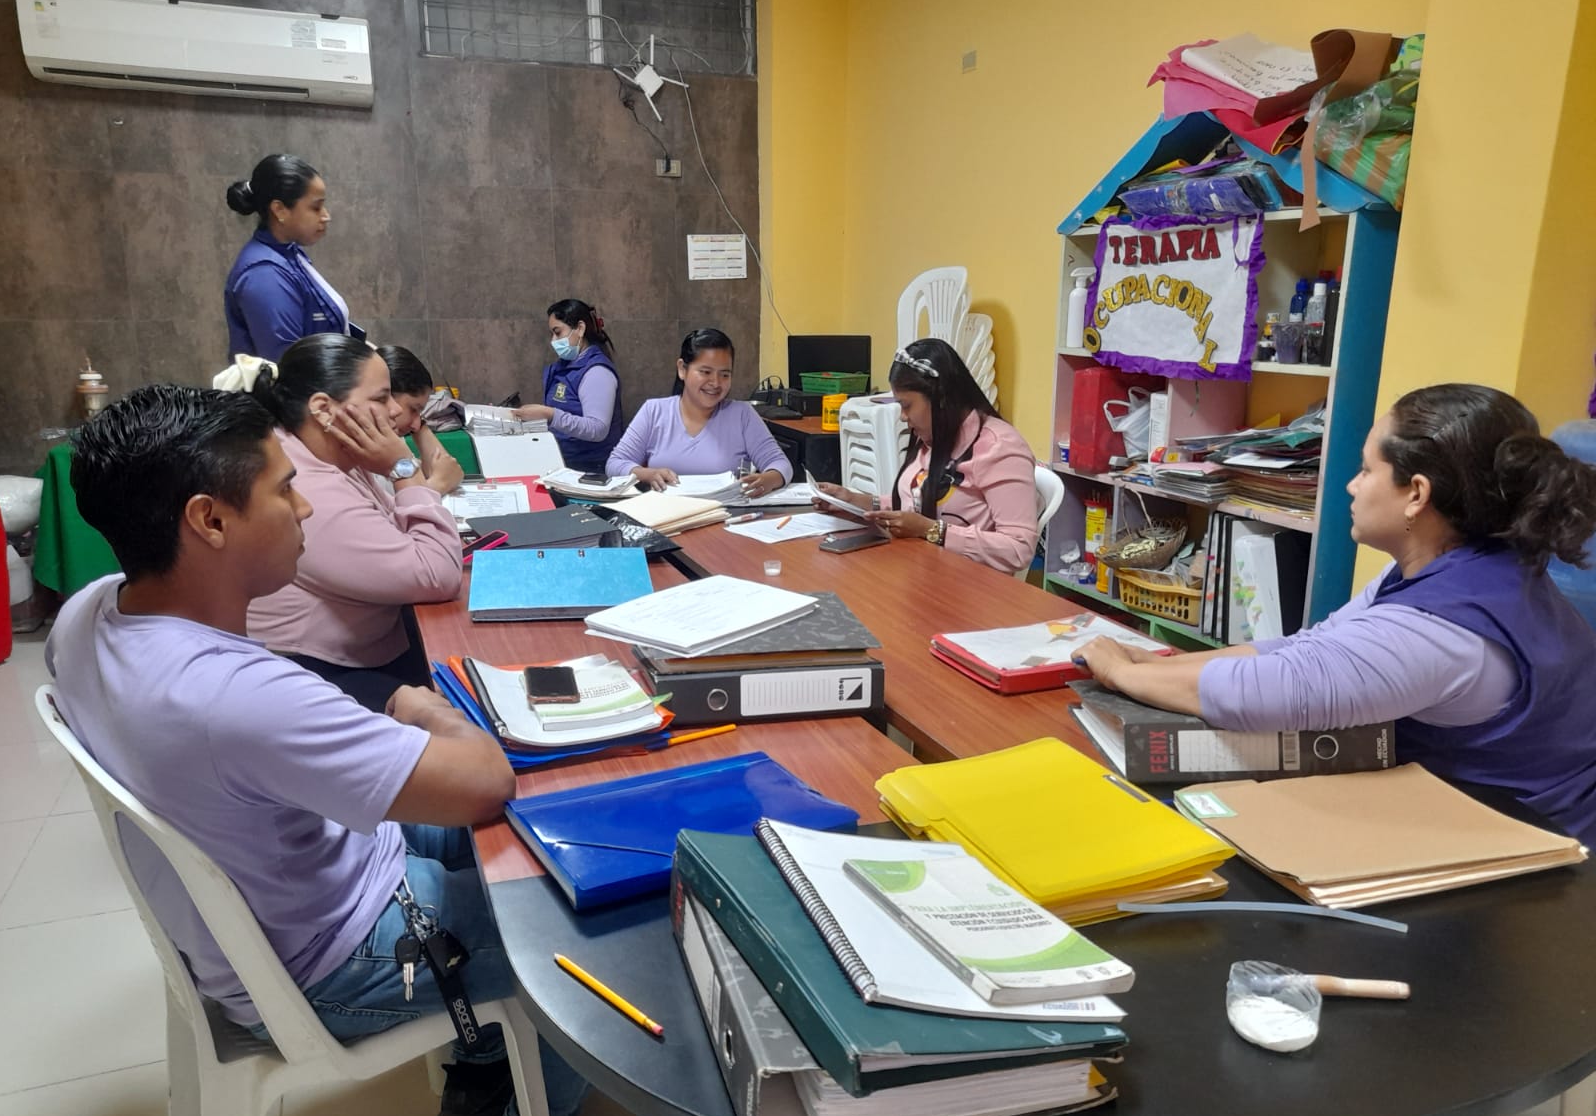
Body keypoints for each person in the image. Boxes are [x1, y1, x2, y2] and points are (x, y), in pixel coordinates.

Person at [49, 385, 650, 1116]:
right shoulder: (231, 696)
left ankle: (484, 1058)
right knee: (596, 919)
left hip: (291, 887)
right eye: (283, 489)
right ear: (210, 520)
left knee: (534, 835)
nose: (303, 507)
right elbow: (486, 780)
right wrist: (427, 712)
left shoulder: (90, 611)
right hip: (335, 958)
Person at [1075, 383, 1596, 845]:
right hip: (1476, 816)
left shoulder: (1440, 630)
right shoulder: (1462, 569)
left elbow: (1268, 694)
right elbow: (1309, 648)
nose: (1352, 484)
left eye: (1367, 470)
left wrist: (1120, 673)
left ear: (1417, 494)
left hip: (1535, 854)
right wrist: (1154, 663)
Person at [243, 334, 462, 713]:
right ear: (323, 409)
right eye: (381, 398)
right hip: (314, 674)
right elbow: (438, 574)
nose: (394, 411)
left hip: (358, 648)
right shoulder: (305, 484)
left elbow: (397, 531)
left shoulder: (323, 452)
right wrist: (403, 468)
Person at [814, 338, 1039, 574]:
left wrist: (933, 531)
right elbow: (917, 503)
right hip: (922, 571)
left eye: (907, 405)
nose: (903, 416)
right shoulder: (933, 437)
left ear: (940, 398)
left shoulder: (1000, 448)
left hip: (971, 583)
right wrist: (851, 500)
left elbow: (1019, 549)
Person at [605, 328, 791, 496]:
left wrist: (768, 479)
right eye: (705, 372)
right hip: (666, 516)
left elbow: (780, 464)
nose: (715, 383)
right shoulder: (654, 411)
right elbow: (615, 463)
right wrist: (646, 474)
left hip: (725, 515)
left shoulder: (743, 414)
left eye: (724, 374)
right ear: (682, 369)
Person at [224, 154, 360, 363]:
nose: (326, 216)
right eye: (316, 207)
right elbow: (289, 366)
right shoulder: (264, 275)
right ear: (279, 210)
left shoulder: (289, 252)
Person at [509, 299, 625, 470]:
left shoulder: (597, 372)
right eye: (552, 334)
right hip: (563, 462)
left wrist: (550, 414)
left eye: (558, 332)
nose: (553, 341)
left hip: (591, 468)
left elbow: (597, 429)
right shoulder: (563, 368)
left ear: (580, 328)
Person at [376, 343, 465, 495]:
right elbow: (393, 505)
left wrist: (420, 427)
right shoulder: (357, 454)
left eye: (420, 412)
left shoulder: (393, 437)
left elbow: (443, 469)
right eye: (413, 409)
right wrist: (439, 484)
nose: (416, 424)